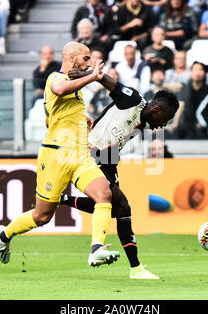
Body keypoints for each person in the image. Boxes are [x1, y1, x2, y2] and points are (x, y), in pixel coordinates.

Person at [0, 42, 119, 268]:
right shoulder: (54, 78)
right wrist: (93, 77)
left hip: (80, 156)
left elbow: (51, 118)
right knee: (42, 217)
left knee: (104, 194)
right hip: (56, 156)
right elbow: (59, 90)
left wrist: (82, 120)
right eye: (86, 58)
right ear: (72, 58)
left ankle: (96, 249)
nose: (89, 63)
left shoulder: (75, 87)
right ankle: (5, 234)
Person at [59, 64, 179, 279]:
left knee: (117, 208)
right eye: (166, 119)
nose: (163, 125)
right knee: (119, 205)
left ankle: (64, 200)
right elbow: (106, 80)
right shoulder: (132, 100)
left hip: (108, 160)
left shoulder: (142, 122)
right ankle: (128, 265)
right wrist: (87, 74)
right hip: (92, 153)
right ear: (157, 109)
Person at [176, 61, 208, 139]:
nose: (197, 73)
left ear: (204, 73)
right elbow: (181, 106)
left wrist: (203, 123)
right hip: (187, 125)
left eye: (200, 70)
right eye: (195, 70)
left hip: (204, 124)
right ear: (191, 73)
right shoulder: (184, 89)